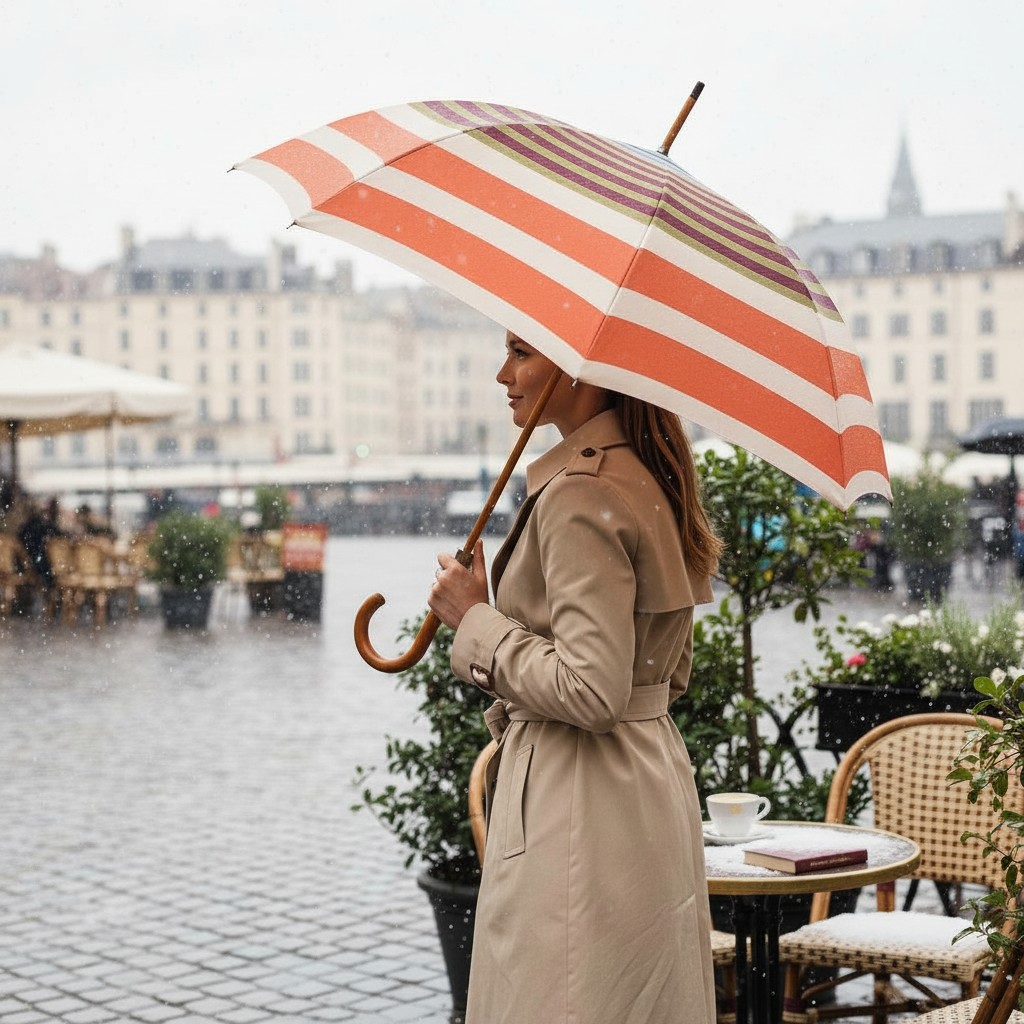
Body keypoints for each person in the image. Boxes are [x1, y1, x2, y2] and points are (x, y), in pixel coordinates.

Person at [427, 332, 721, 1024]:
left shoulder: (580, 494)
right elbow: (666, 674)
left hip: (577, 800)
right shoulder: (650, 478)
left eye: (523, 352)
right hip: (647, 787)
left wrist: (475, 620)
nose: (505, 374)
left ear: (582, 368)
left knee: (559, 999)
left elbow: (591, 690)